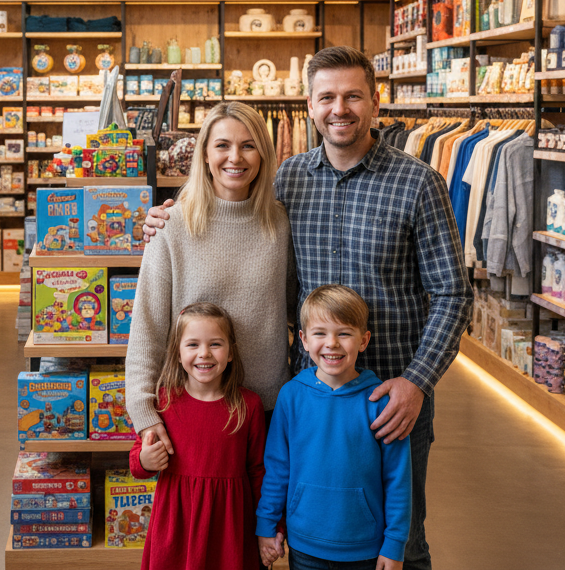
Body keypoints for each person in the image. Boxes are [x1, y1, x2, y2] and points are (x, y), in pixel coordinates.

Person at [146, 46, 472, 570]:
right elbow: (229, 211)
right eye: (327, 97)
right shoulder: (288, 180)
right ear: (310, 106)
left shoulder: (419, 183)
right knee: (309, 536)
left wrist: (417, 383)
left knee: (402, 542)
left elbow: (454, 294)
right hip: (310, 400)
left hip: (390, 399)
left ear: (375, 102)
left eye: (353, 96)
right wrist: (168, 215)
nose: (339, 109)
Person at [125, 101, 293, 459]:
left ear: (263, 154)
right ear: (204, 154)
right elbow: (147, 326)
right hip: (192, 408)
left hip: (267, 410)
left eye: (248, 146)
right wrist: (142, 408)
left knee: (262, 497)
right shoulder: (172, 225)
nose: (235, 157)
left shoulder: (280, 223)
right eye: (222, 145)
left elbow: (298, 307)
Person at [256, 285, 411, 570]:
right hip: (304, 545)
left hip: (364, 549)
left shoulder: (382, 403)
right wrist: (266, 524)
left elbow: (397, 479)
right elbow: (277, 468)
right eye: (320, 333)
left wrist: (395, 544)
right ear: (303, 339)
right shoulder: (291, 396)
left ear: (363, 340)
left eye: (344, 333)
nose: (332, 343)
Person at [129, 302, 267, 569]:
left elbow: (258, 471)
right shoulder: (162, 401)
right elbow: (137, 462)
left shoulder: (248, 405)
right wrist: (146, 460)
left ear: (230, 353)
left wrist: (267, 527)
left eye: (215, 344)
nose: (204, 353)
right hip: (175, 524)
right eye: (193, 344)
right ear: (178, 353)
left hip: (228, 527)